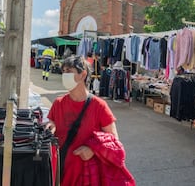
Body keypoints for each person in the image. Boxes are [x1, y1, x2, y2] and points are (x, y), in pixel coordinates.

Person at [45, 55, 135, 185]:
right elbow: (52, 123)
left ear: (83, 75)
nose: (65, 75)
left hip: (87, 176)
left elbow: (114, 140)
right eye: (63, 71)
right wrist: (51, 125)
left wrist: (93, 150)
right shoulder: (58, 103)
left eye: (69, 71)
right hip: (61, 172)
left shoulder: (99, 105)